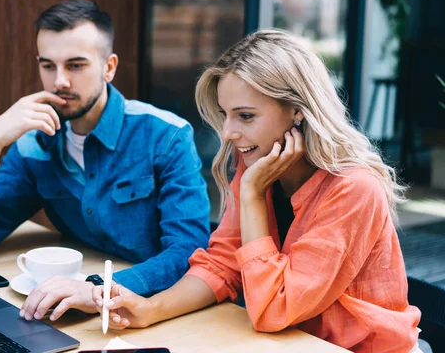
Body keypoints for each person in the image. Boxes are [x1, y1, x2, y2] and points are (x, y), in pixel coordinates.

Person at [92, 29, 422, 353]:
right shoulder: (257, 158)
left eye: (246, 116)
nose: (228, 133)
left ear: (297, 111)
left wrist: (251, 196)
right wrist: (151, 310)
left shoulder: (353, 188)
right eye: (226, 115)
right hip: (288, 342)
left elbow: (273, 310)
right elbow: (222, 265)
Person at [0, 0, 210, 323]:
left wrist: (98, 288)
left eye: (76, 65)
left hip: (154, 312)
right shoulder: (34, 145)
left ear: (108, 67)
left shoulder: (165, 136)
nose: (60, 82)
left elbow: (189, 253)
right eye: (48, 65)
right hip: (74, 312)